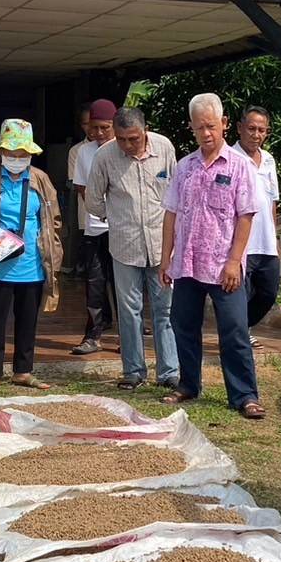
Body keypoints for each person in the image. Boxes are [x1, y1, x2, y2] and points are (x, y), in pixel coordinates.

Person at [160, 93, 265, 420]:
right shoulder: (184, 167)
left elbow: (245, 217)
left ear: (224, 124)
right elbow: (171, 214)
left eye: (211, 126)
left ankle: (245, 395)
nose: (206, 133)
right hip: (187, 264)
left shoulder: (239, 166)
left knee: (234, 331)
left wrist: (234, 261)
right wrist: (166, 259)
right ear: (191, 128)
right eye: (199, 128)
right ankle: (188, 385)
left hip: (224, 267)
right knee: (183, 326)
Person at [0, 119, 63, 396]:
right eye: (12, 154)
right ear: (1, 152)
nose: (17, 159)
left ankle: (23, 371)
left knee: (27, 320)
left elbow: (53, 219)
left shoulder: (40, 179)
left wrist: (51, 250)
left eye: (23, 154)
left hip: (32, 263)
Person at [84, 106, 179, 391]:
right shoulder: (105, 156)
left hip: (161, 245)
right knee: (129, 311)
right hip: (124, 245)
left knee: (165, 310)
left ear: (145, 131)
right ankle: (134, 371)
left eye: (134, 138)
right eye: (122, 139)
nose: (127, 144)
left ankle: (169, 372)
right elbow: (93, 199)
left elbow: (176, 192)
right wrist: (115, 218)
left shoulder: (164, 147)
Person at [71, 99, 117, 355]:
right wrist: (99, 208)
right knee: (94, 283)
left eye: (104, 128)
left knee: (123, 285)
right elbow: (81, 186)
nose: (98, 133)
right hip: (95, 226)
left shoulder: (123, 147)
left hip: (121, 228)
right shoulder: (84, 152)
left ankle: (127, 338)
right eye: (94, 127)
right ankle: (93, 335)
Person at [235, 106, 281, 347]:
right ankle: (237, 334)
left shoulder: (269, 160)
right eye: (251, 128)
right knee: (238, 294)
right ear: (239, 128)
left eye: (261, 130)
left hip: (265, 242)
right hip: (241, 242)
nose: (256, 135)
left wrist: (274, 237)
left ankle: (239, 327)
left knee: (268, 293)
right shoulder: (230, 158)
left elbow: (272, 201)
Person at [64, 103, 93, 277]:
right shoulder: (77, 151)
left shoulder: (115, 148)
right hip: (88, 213)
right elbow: (77, 183)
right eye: (85, 123)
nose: (91, 128)